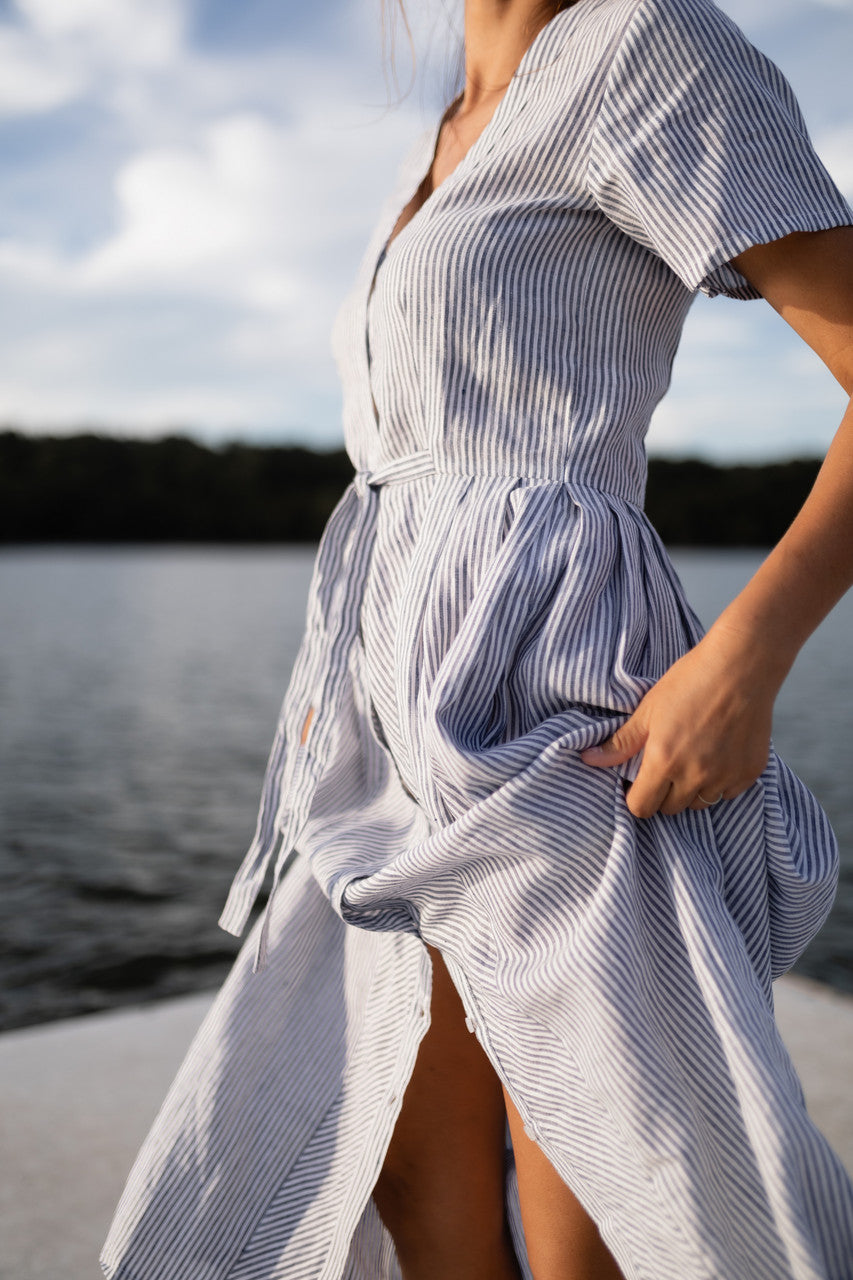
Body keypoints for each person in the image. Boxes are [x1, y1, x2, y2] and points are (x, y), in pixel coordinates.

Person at [101, 0, 853, 1277]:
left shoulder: (647, 45)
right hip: (388, 731)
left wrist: (746, 655)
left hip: (555, 698)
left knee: (601, 1174)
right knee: (400, 1161)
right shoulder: (440, 127)